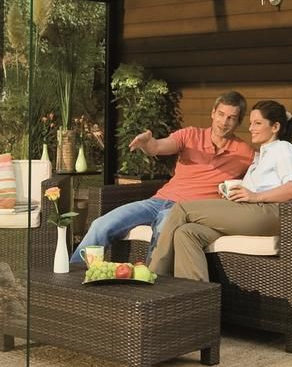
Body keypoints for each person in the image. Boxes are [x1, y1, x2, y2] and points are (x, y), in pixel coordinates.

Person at [73, 91, 252, 266]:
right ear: (213, 113)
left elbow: (270, 169)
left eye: (231, 118)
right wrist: (146, 144)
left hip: (188, 211)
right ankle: (74, 275)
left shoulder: (245, 153)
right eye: (221, 114)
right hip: (159, 201)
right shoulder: (190, 135)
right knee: (101, 224)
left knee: (163, 229)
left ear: (238, 121)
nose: (224, 122)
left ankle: (152, 285)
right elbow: (158, 147)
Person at [150, 100, 292, 283]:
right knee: (187, 233)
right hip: (250, 212)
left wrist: (255, 196)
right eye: (251, 123)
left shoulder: (283, 148)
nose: (251, 128)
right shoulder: (263, 154)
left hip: (267, 213)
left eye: (258, 123)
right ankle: (194, 297)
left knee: (181, 209)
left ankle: (153, 277)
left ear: (275, 127)